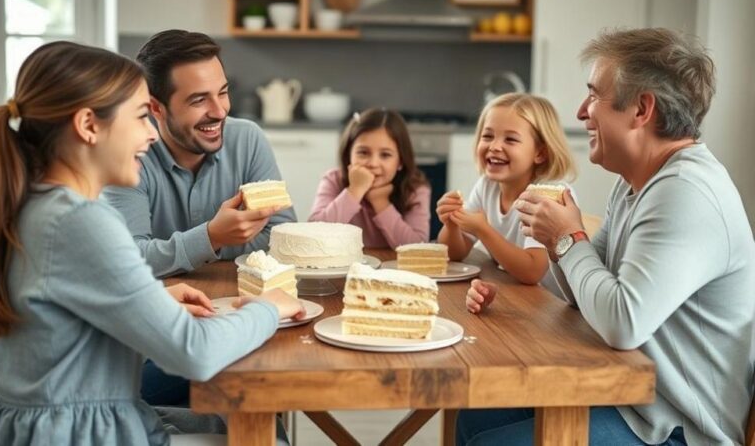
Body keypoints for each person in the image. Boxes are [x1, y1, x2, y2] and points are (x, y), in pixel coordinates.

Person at [0, 41, 304, 445]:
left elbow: (67, 309)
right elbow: (195, 352)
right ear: (88, 126)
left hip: (58, 423)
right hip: (78, 433)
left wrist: (152, 299)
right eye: (140, 117)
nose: (150, 136)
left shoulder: (38, 204)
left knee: (259, 427)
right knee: (268, 439)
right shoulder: (80, 221)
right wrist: (267, 308)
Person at [461, 28, 755, 445]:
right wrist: (557, 240)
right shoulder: (636, 183)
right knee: (476, 417)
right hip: (626, 395)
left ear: (641, 109)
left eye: (594, 94)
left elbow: (623, 323)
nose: (582, 111)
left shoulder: (686, 192)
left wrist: (567, 238)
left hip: (676, 427)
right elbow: (583, 295)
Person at [103, 29, 296, 280]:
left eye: (223, 93)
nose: (219, 111)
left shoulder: (247, 140)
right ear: (156, 108)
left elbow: (282, 237)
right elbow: (128, 257)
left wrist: (188, 249)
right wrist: (212, 237)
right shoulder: (128, 158)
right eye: (198, 100)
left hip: (239, 291)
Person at [436, 93, 576, 301]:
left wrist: (483, 230)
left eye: (510, 139)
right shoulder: (487, 185)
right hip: (517, 297)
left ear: (540, 153)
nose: (494, 146)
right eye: (488, 136)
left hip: (555, 308)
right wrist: (452, 224)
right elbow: (452, 254)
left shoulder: (549, 195)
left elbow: (532, 271)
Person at [308, 108, 431, 248]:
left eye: (385, 155)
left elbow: (418, 247)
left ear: (400, 161)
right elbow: (313, 235)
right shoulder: (333, 180)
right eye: (363, 153)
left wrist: (381, 202)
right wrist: (355, 191)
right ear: (349, 155)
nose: (373, 163)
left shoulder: (415, 188)